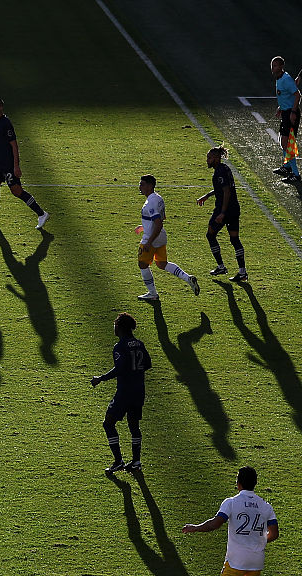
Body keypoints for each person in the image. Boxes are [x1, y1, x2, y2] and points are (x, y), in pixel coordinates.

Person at [90, 312, 151, 472]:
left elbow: (120, 368)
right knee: (134, 426)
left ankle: (118, 461)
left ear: (120, 327)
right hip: (139, 391)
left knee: (108, 423)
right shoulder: (139, 343)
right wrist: (135, 372)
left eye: (115, 325)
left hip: (125, 392)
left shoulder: (120, 346)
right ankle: (136, 462)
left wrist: (101, 378)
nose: (114, 328)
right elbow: (148, 363)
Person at [0, 99, 49, 230]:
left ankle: (42, 214)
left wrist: (16, 166)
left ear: (1, 108)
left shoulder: (6, 123)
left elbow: (14, 145)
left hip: (8, 164)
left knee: (16, 191)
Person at [135, 175, 199, 301]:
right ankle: (188, 278)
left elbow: (159, 223)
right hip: (161, 236)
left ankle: (152, 293)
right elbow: (160, 218)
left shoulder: (150, 203)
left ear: (150, 186)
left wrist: (149, 241)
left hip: (152, 237)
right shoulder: (158, 198)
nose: (140, 187)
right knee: (162, 263)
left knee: (142, 264)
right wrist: (144, 226)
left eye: (142, 184)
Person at [196, 147, 248, 281]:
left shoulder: (219, 172)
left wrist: (222, 213)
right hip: (234, 209)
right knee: (234, 239)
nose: (207, 160)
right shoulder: (225, 168)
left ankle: (221, 266)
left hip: (224, 210)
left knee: (210, 235)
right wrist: (207, 195)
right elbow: (222, 188)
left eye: (209, 158)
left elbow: (226, 192)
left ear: (216, 158)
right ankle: (242, 272)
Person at [271, 57, 302, 183]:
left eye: (275, 65)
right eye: (272, 65)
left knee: (287, 143)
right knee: (283, 141)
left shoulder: (286, 79)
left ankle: (296, 174)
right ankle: (287, 166)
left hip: (290, 114)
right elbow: (285, 95)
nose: (273, 68)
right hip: (285, 112)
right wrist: (281, 107)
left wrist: (293, 112)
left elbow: (297, 95)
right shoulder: (279, 78)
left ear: (281, 66)